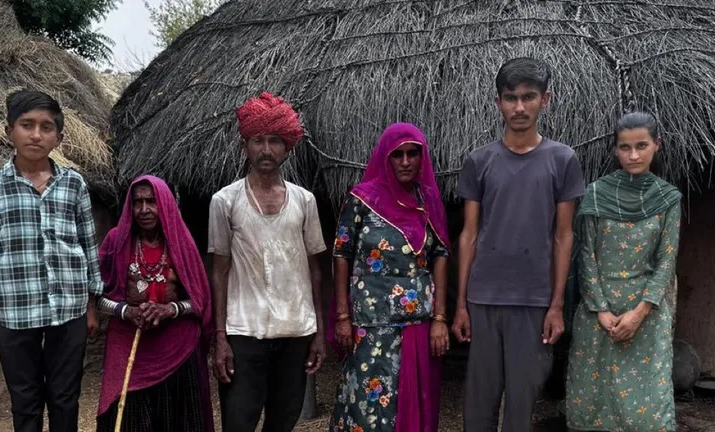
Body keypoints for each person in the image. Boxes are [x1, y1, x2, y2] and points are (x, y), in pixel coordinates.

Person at [452, 57, 585, 431]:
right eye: (511, 98)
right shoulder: (480, 161)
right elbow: (469, 234)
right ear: (498, 103)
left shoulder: (562, 160)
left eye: (529, 97)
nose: (520, 107)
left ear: (546, 99)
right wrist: (460, 304)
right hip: (484, 296)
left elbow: (564, 235)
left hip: (534, 298)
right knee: (478, 403)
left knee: (522, 404)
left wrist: (557, 304)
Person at [0, 89, 101, 432]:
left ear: (59, 137)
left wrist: (91, 302)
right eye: (27, 125)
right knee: (24, 401)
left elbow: (88, 245)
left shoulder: (74, 185)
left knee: (65, 398)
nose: (36, 134)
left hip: (68, 307)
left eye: (46, 126)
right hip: (15, 308)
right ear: (10, 130)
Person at [208, 91, 327, 432]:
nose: (266, 150)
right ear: (245, 145)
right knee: (238, 421)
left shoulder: (304, 201)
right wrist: (220, 337)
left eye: (275, 141)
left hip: (295, 330)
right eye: (257, 140)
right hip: (244, 331)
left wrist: (318, 332)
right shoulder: (225, 202)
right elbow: (219, 270)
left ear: (287, 147)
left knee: (283, 420)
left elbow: (316, 270)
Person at [328, 122, 450, 432]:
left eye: (413, 154)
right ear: (386, 157)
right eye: (398, 155)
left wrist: (439, 319)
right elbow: (341, 253)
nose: (406, 161)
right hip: (369, 327)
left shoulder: (429, 202)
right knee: (367, 407)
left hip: (416, 327)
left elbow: (441, 256)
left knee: (412, 406)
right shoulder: (361, 199)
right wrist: (342, 316)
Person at [565, 112, 680, 431]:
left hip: (647, 319)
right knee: (592, 409)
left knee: (646, 413)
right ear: (615, 150)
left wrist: (639, 313)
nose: (633, 155)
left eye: (641, 145)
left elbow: (666, 262)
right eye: (625, 147)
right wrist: (601, 310)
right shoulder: (595, 194)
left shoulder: (668, 199)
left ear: (656, 145)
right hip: (596, 319)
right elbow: (585, 256)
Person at [95, 175, 214, 432]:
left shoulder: (181, 242)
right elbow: (96, 296)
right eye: (138, 202)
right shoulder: (117, 241)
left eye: (152, 201)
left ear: (165, 204)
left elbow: (200, 301)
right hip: (128, 344)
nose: (144, 209)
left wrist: (170, 309)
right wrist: (126, 311)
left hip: (176, 346)